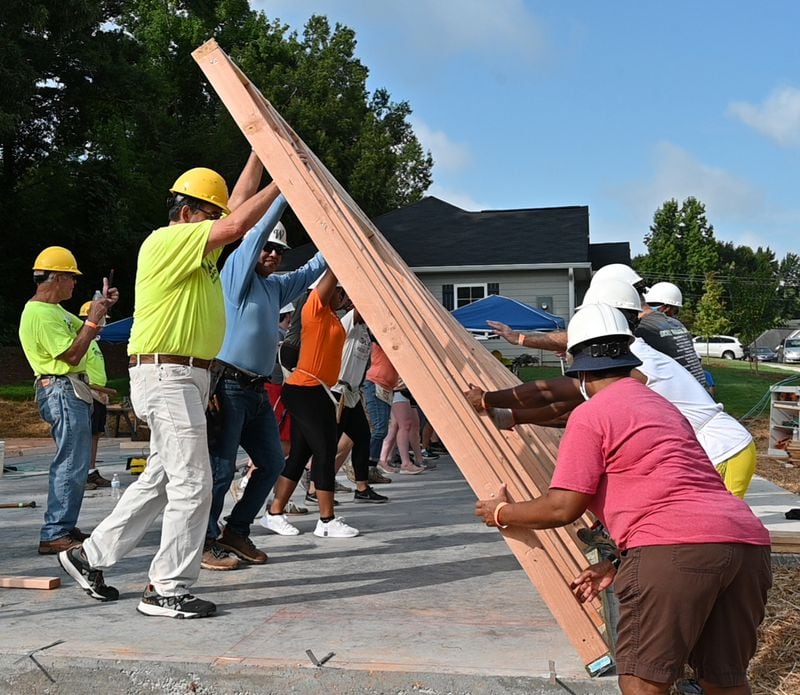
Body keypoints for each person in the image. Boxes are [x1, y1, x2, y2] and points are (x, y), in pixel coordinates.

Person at [475, 303, 771, 695]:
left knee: (643, 682)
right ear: (629, 358)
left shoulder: (593, 414)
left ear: (578, 370)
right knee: (724, 680)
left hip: (675, 546)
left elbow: (563, 506)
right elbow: (670, 491)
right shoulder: (663, 408)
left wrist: (500, 511)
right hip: (747, 544)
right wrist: (622, 561)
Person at [58, 161, 279, 618]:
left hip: (184, 377)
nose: (217, 225)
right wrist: (288, 180)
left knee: (159, 479)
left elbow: (234, 211)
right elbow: (237, 221)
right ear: (187, 212)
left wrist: (259, 157)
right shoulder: (168, 239)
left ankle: (89, 556)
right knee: (193, 483)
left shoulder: (196, 249)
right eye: (209, 215)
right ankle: (166, 587)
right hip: (169, 375)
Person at [471, 279, 758, 498]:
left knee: (710, 539)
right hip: (707, 449)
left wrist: (487, 398)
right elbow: (574, 412)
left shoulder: (634, 363)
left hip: (719, 451)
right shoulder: (628, 352)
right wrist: (515, 416)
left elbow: (551, 393)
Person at [201, 153, 326, 570]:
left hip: (255, 390)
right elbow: (248, 237)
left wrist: (339, 234)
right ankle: (204, 542)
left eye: (278, 250)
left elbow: (313, 270)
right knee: (220, 471)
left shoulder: (275, 289)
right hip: (229, 385)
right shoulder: (237, 277)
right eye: (268, 248)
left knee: (272, 462)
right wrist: (283, 193)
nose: (272, 255)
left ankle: (237, 531)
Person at [19, 247, 118, 554]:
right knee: (70, 462)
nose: (74, 284)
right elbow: (74, 353)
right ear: (58, 277)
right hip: (60, 389)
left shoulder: (57, 312)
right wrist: (91, 321)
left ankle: (63, 526)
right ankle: (55, 531)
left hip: (69, 389)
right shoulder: (38, 313)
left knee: (75, 462)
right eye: (72, 278)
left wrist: (100, 310)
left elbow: (88, 335)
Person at [263, 270, 359, 538]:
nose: (341, 295)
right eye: (337, 291)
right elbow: (330, 277)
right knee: (325, 452)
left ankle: (274, 513)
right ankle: (326, 521)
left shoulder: (333, 317)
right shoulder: (313, 309)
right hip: (306, 390)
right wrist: (337, 257)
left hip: (318, 391)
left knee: (299, 455)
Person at [78, 300, 117, 490]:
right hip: (90, 394)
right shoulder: (83, 340)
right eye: (102, 318)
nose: (104, 324)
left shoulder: (94, 343)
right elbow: (81, 370)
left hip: (98, 394)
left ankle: (90, 472)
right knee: (86, 435)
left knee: (95, 434)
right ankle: (82, 474)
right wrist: (93, 391)